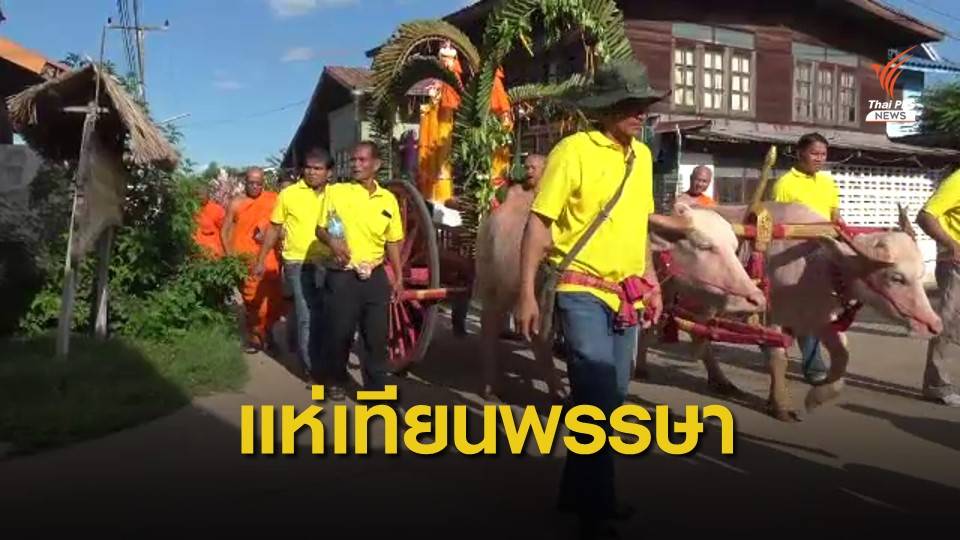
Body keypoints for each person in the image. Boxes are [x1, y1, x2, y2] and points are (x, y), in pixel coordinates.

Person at [516, 59, 666, 539]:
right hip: (580, 290)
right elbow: (539, 224)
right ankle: (595, 511)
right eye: (630, 104)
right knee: (598, 397)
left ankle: (574, 490)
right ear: (603, 109)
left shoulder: (642, 157)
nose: (639, 113)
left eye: (643, 104)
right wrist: (526, 293)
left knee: (612, 398)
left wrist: (652, 281)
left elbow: (639, 225)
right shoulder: (572, 151)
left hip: (626, 296)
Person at [316, 141, 405, 401]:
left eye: (362, 160)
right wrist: (332, 241)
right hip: (343, 274)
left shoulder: (388, 199)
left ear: (376, 165)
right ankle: (335, 379)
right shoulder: (336, 192)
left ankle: (376, 392)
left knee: (376, 339)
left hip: (375, 277)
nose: (355, 164)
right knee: (340, 332)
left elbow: (393, 241)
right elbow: (321, 229)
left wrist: (397, 276)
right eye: (353, 160)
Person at [254, 149, 333, 381]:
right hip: (298, 262)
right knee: (306, 314)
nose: (311, 172)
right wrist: (261, 259)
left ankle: (325, 360)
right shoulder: (289, 195)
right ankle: (312, 370)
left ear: (329, 172)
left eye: (318, 168)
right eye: (308, 167)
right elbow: (275, 228)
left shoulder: (337, 195)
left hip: (328, 263)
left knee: (329, 315)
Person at [769, 132, 840, 385]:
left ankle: (783, 346)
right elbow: (777, 222)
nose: (819, 159)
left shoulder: (828, 183)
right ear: (800, 153)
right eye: (814, 153)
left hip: (825, 252)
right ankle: (813, 366)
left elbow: (835, 217)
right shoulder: (785, 184)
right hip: (795, 255)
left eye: (823, 154)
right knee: (806, 310)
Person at [222, 167, 284, 353]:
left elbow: (282, 225)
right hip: (244, 259)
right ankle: (257, 334)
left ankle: (266, 333)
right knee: (252, 301)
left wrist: (268, 232)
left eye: (259, 183)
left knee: (272, 302)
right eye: (252, 183)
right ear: (245, 182)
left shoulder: (273, 199)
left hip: (269, 258)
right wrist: (229, 255)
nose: (256, 186)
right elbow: (225, 230)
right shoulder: (236, 202)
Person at [916, 166, 960, 407]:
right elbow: (926, 216)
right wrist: (951, 244)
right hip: (956, 265)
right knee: (947, 323)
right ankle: (936, 385)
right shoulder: (957, 181)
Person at [192, 183, 226, 258]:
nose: (200, 197)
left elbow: (225, 231)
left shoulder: (217, 210)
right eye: (197, 195)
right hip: (196, 254)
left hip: (213, 255)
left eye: (202, 194)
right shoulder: (192, 209)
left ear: (208, 195)